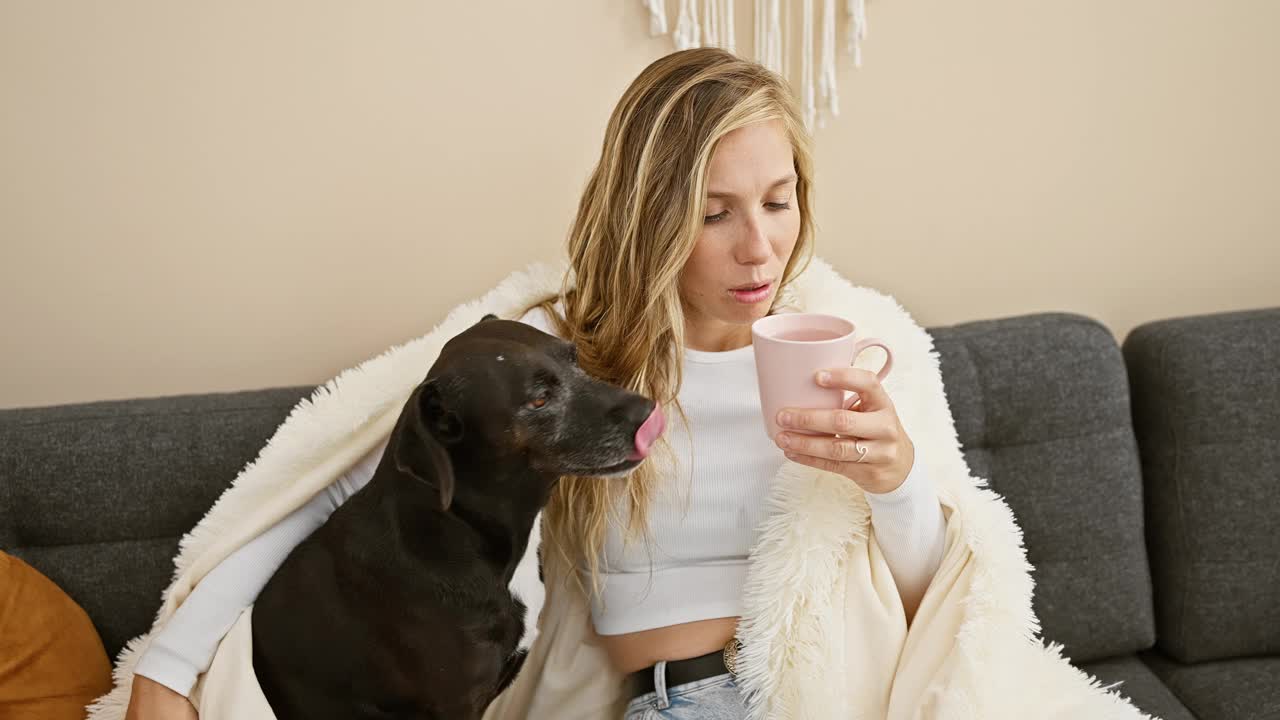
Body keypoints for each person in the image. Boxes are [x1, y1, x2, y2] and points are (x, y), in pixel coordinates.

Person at [124, 47, 947, 720]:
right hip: (690, 700)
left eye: (779, 200)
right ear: (649, 213)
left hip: (845, 691)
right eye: (713, 213)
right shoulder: (560, 353)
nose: (761, 248)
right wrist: (167, 669)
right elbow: (333, 484)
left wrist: (896, 481)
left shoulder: (860, 344)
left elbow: (936, 601)